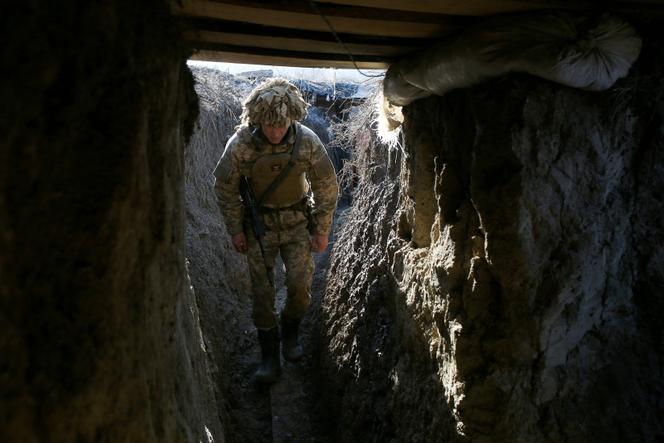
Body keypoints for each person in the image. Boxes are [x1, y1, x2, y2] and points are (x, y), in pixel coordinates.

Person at [213, 78, 339, 384]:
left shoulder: (306, 141)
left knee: (299, 286)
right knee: (262, 291)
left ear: (291, 118)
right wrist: (235, 230)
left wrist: (321, 231)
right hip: (259, 228)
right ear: (257, 120)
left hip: (297, 223)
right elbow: (224, 187)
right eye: (268, 126)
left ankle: (291, 333)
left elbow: (327, 187)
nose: (274, 132)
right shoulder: (242, 143)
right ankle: (269, 355)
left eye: (280, 126)